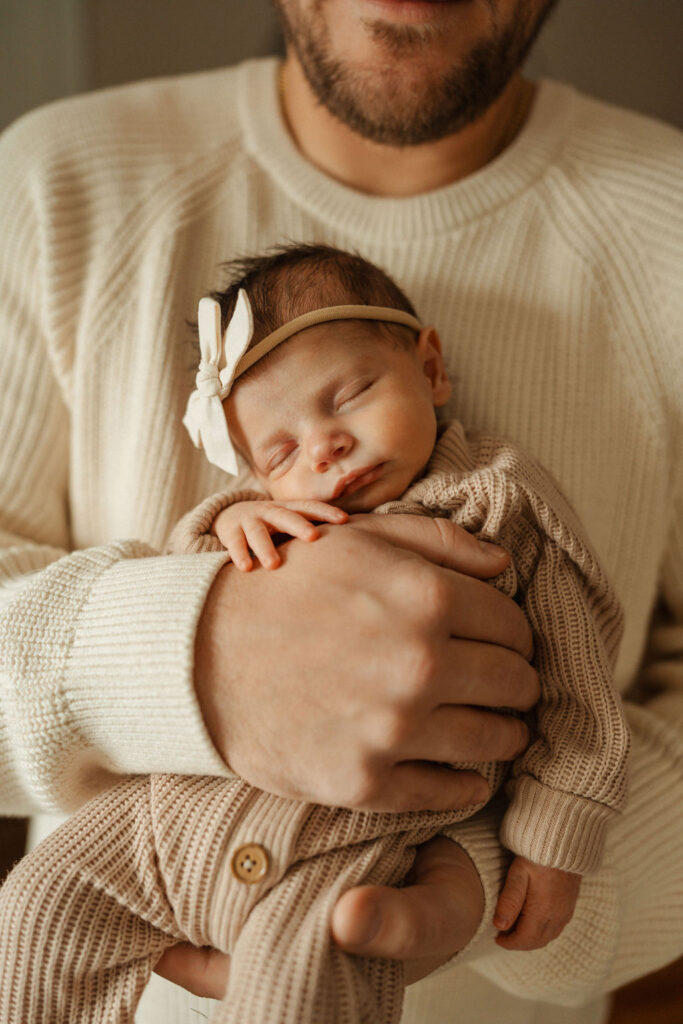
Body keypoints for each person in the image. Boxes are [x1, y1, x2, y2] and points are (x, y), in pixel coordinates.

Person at [0, 1, 680, 1022]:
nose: (318, 452)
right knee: (34, 912)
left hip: (371, 866)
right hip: (153, 833)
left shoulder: (499, 500)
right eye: (276, 449)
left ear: (430, 366)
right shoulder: (49, 180)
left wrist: (496, 870)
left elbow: (578, 688)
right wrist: (188, 644)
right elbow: (195, 543)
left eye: (351, 396)